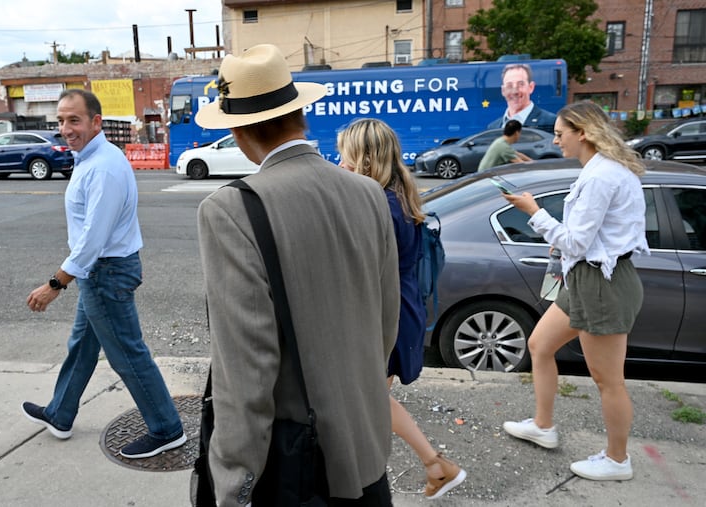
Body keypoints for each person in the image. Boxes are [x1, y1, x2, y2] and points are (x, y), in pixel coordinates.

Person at [195, 44, 399, 505]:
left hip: (296, 469)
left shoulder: (232, 209)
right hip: (366, 451)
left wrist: (233, 486)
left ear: (239, 131)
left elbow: (245, 371)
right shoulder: (368, 192)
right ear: (299, 115)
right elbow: (385, 325)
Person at [22, 89, 186, 459]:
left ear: (96, 122)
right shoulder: (89, 157)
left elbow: (93, 238)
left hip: (105, 273)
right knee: (82, 346)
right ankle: (60, 414)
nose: (66, 128)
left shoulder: (104, 167)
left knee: (128, 353)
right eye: (61, 120)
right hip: (99, 272)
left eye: (74, 120)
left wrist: (55, 284)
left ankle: (166, 428)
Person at [501, 101, 649, 481]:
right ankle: (543, 425)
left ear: (582, 132)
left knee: (608, 380)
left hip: (602, 282)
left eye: (560, 133)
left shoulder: (601, 176)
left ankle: (618, 461)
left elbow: (577, 242)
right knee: (539, 345)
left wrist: (533, 210)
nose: (555, 140)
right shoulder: (602, 170)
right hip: (587, 278)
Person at [337, 118, 467, 500]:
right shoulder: (397, 194)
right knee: (374, 399)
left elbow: (362, 271)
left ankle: (425, 467)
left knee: (369, 398)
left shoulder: (379, 205)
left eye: (344, 155)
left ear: (363, 160)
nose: (339, 163)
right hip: (400, 309)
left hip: (385, 316)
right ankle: (433, 466)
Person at [488, 63, 557, 133]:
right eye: (509, 85)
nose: (515, 92)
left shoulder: (551, 123)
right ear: (503, 91)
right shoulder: (493, 128)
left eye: (521, 84)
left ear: (531, 87)